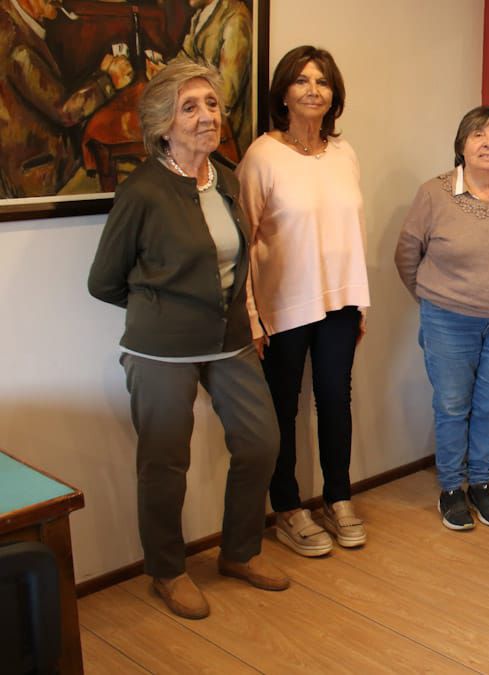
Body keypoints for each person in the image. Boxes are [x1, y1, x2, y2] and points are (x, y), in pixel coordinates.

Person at [87, 60, 288, 621]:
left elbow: (237, 258)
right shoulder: (142, 191)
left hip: (229, 341)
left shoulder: (225, 176)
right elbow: (103, 281)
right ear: (163, 124)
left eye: (212, 104)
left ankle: (240, 552)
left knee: (259, 442)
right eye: (190, 107)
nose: (207, 117)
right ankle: (167, 570)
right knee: (163, 462)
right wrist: (162, 307)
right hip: (160, 351)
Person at [238, 46, 370, 557]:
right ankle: (288, 508)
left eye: (323, 81)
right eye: (302, 80)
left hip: (340, 302)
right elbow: (246, 239)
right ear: (284, 93)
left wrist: (361, 301)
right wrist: (252, 317)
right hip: (282, 307)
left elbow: (353, 228)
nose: (313, 89)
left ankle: (338, 498)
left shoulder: (345, 152)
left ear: (333, 94)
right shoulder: (262, 156)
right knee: (282, 408)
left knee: (336, 400)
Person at [395, 106, 489, 531]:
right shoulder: (433, 193)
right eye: (478, 135)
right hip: (448, 320)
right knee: (453, 405)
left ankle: (480, 483)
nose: (488, 143)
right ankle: (451, 490)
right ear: (461, 145)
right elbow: (407, 255)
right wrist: (429, 298)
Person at [0, 0, 133, 197]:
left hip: (38, 167)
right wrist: (109, 81)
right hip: (40, 178)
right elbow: (65, 111)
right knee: (131, 180)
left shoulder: (15, 21)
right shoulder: (16, 45)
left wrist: (102, 75)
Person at [148, 0, 253, 155]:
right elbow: (185, 57)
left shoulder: (235, 17)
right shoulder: (199, 16)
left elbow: (228, 92)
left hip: (229, 138)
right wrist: (161, 70)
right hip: (199, 138)